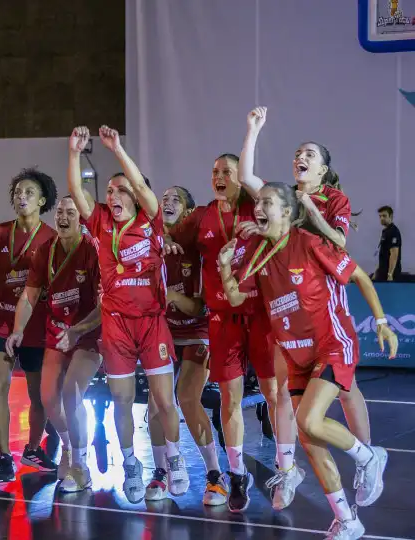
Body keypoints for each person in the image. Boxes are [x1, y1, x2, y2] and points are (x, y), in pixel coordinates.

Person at [218, 182, 394, 540]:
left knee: (309, 419)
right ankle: (347, 521)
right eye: (258, 203)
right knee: (310, 441)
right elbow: (235, 296)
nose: (259, 207)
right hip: (295, 354)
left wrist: (381, 323)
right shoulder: (258, 253)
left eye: (268, 202)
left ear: (287, 211)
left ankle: (368, 456)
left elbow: (358, 275)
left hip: (331, 344)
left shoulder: (310, 242)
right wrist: (224, 267)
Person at [240, 106, 374, 510]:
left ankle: (367, 460)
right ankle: (288, 469)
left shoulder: (333, 199)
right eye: (298, 152)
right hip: (283, 304)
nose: (300, 156)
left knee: (347, 390)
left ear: (324, 169)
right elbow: (248, 178)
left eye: (310, 153)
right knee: (282, 392)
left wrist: (310, 211)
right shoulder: (279, 196)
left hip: (322, 302)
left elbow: (341, 245)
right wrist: (254, 129)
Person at [66, 126, 187, 503]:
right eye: (109, 190)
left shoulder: (151, 220)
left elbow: (139, 184)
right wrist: (73, 153)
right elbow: (76, 193)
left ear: (135, 194)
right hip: (116, 324)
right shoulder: (101, 221)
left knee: (165, 401)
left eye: (120, 190)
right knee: (122, 400)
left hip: (151, 322)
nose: (112, 195)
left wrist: (117, 150)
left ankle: (174, 459)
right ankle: (132, 464)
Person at [163, 151, 280, 512]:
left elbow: (282, 226)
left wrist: (262, 227)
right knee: (229, 400)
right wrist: (159, 238)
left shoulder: (255, 208)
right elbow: (166, 227)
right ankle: (235, 476)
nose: (219, 176)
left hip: (258, 315)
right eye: (214, 171)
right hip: (220, 319)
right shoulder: (202, 217)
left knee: (273, 394)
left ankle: (285, 467)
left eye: (226, 171)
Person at [8, 196, 103, 492]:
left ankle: (81, 465)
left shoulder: (92, 250)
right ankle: (67, 445)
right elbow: (30, 295)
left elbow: (105, 304)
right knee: (49, 397)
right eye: (59, 211)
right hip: (57, 333)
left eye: (70, 212)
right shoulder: (45, 252)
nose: (63, 216)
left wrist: (79, 329)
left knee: (72, 393)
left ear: (82, 218)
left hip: (88, 333)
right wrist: (17, 330)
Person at [0, 167, 60, 482]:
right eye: (17, 192)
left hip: (36, 326)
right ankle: (3, 456)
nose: (21, 197)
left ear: (41, 200)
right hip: (1, 320)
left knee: (39, 398)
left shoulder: (51, 237)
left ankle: (32, 448)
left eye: (28, 192)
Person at [156, 186, 228, 504]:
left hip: (198, 329)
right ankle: (161, 474)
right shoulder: (152, 244)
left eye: (176, 199)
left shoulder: (196, 249)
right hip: (164, 332)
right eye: (164, 198)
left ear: (187, 212)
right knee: (156, 405)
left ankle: (215, 476)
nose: (167, 202)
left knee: (187, 397)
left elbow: (198, 308)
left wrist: (170, 296)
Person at [375, 206, 402, 282]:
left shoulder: (394, 232)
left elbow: (394, 254)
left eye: (384, 216)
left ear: (391, 216)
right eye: (380, 216)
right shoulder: (385, 231)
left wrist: (390, 274)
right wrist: (376, 272)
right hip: (382, 272)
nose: (382, 218)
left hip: (390, 275)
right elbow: (382, 254)